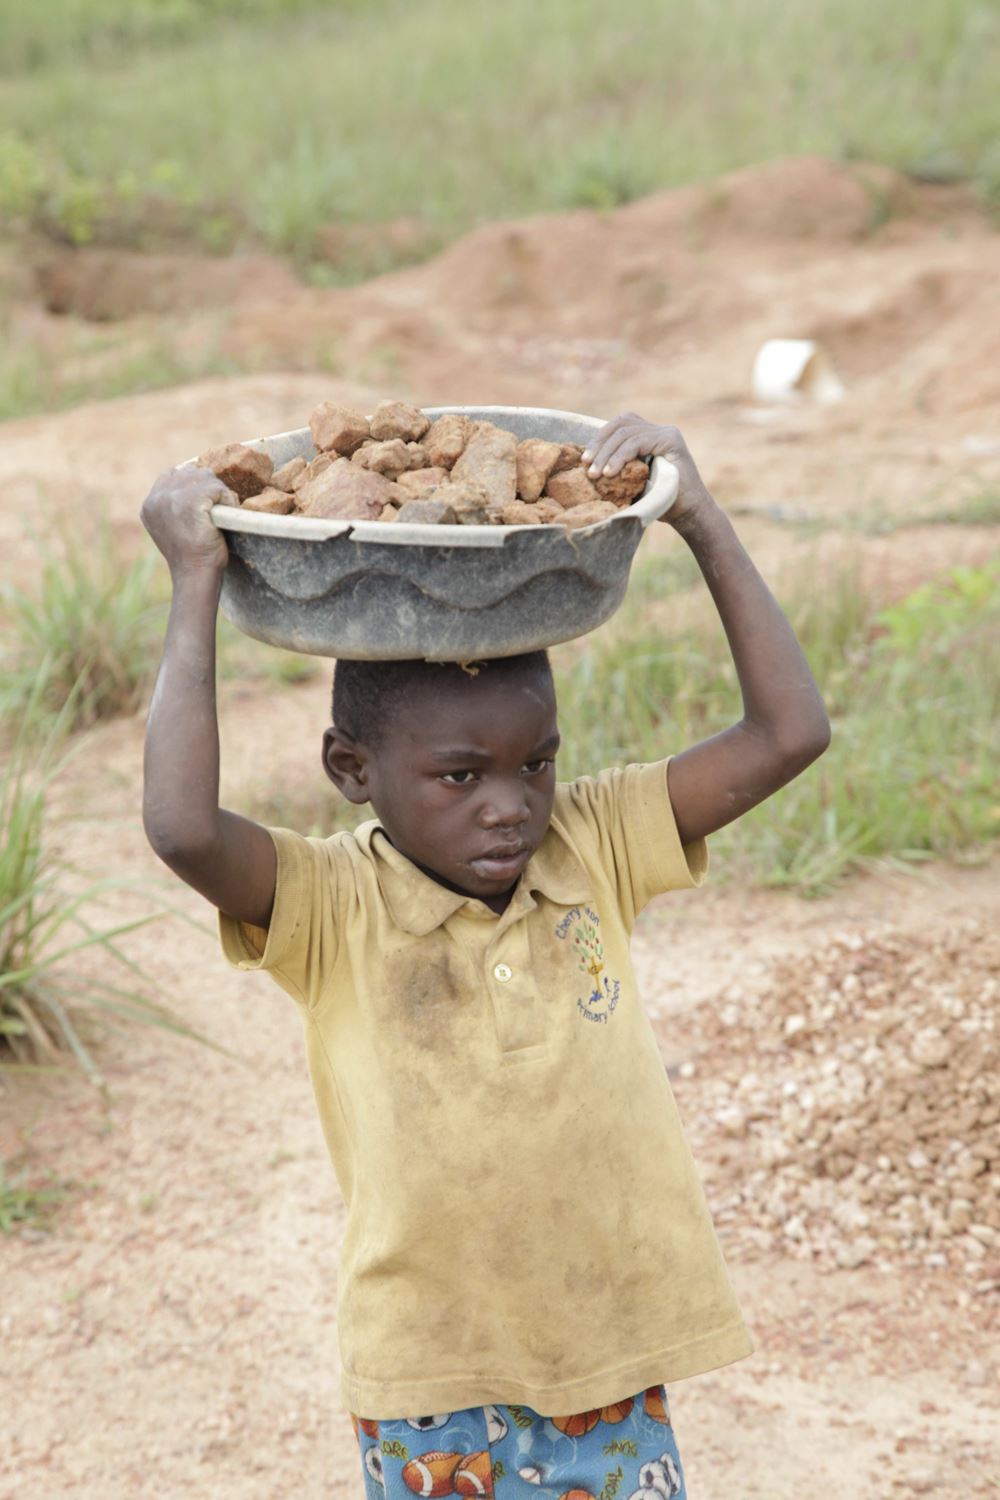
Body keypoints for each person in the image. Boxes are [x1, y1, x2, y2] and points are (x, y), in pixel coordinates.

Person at [141, 411, 830, 1500]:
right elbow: (184, 830)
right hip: (430, 1374)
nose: (511, 808)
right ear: (351, 768)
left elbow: (787, 733)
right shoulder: (331, 904)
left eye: (536, 764)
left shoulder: (591, 845)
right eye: (460, 777)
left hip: (607, 1354)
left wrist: (693, 515)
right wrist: (194, 582)